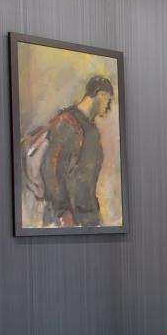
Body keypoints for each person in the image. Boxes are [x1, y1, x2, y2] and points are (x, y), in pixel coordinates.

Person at [37, 74, 116, 227]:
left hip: (87, 215)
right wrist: (63, 212)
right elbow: (50, 168)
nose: (109, 106)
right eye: (109, 99)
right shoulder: (68, 123)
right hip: (67, 219)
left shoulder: (91, 129)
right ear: (101, 94)